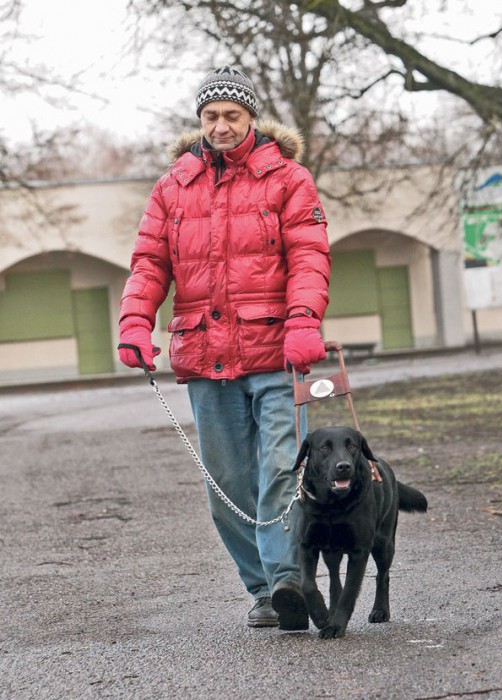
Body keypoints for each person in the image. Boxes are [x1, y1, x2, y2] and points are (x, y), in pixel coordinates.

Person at [118, 66, 331, 630]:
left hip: (276, 353)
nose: (221, 125)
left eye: (231, 115)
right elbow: (149, 264)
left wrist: (305, 319)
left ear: (251, 118)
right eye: (210, 116)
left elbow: (309, 257)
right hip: (205, 357)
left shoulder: (289, 179)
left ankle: (289, 581)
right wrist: (136, 322)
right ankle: (263, 589)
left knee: (283, 470)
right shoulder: (172, 188)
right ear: (199, 122)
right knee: (226, 486)